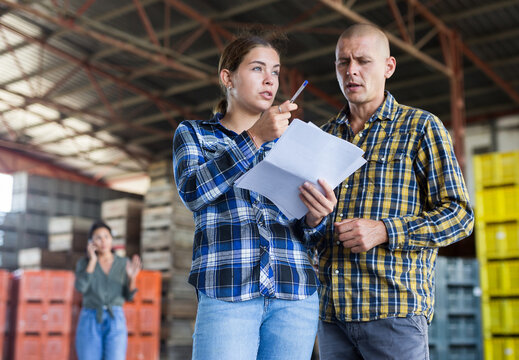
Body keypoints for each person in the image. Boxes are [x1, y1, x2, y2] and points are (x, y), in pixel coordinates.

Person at [313, 24, 475, 360]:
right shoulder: (323, 137)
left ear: (388, 67)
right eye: (343, 62)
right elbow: (308, 226)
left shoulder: (421, 128)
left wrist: (386, 230)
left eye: (363, 61)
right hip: (331, 315)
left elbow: (459, 216)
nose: (351, 71)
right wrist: (311, 218)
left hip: (393, 311)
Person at [173, 33, 337, 360]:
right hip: (228, 292)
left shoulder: (292, 144)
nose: (269, 80)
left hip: (294, 294)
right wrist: (255, 137)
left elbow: (308, 232)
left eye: (275, 71)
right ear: (228, 77)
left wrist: (316, 217)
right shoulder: (194, 134)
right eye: (258, 68)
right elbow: (193, 191)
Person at [74, 220, 141, 360]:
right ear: (91, 242)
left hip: (115, 318)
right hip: (90, 318)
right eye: (98, 237)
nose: (103, 241)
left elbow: (129, 296)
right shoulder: (84, 263)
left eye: (106, 236)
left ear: (111, 239)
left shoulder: (123, 263)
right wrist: (92, 261)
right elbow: (81, 288)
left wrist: (132, 278)